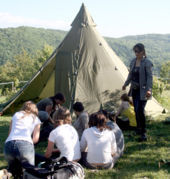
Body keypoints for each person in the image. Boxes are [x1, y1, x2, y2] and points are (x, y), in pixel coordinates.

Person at [122, 43, 153, 142]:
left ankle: (143, 132)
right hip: (134, 90)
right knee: (136, 110)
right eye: (135, 51)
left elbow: (149, 77)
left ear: (143, 51)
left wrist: (149, 89)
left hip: (143, 91)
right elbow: (130, 75)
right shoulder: (133, 62)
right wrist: (126, 84)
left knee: (140, 110)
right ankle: (138, 129)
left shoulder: (147, 62)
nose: (136, 53)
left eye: (138, 51)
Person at [4, 101, 41, 176]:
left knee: (12, 170)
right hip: (25, 144)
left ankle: (3, 174)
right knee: (30, 172)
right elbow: (35, 139)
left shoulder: (16, 115)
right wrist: (29, 143)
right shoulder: (36, 119)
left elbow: (9, 134)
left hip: (9, 144)